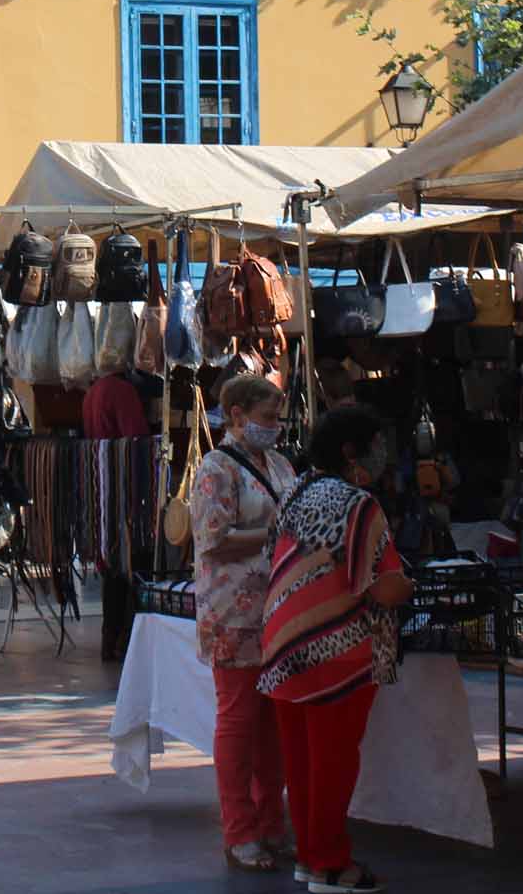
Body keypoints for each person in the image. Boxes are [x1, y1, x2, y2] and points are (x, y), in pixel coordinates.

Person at [259, 404, 410, 894]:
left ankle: (310, 856)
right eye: (374, 443)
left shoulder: (294, 491)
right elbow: (383, 585)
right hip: (336, 650)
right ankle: (329, 865)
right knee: (333, 764)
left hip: (284, 646)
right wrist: (409, 585)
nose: (381, 454)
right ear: (351, 452)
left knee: (302, 764)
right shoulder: (358, 504)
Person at [191, 374, 299, 873]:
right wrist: (271, 534)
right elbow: (214, 539)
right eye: (266, 417)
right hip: (232, 613)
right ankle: (239, 831)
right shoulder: (215, 468)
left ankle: (271, 824)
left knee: (274, 724)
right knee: (238, 721)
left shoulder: (279, 465)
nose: (274, 427)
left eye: (277, 418)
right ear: (236, 415)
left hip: (279, 610)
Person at [84, 368, 153, 662]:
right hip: (125, 484)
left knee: (111, 563)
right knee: (132, 560)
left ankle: (110, 637)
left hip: (104, 484)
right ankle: (128, 638)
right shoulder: (121, 391)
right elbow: (136, 438)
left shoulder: (92, 391)